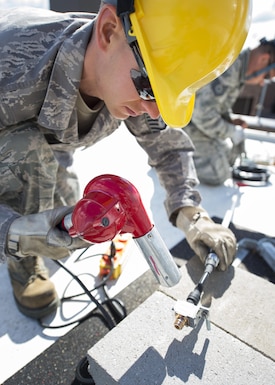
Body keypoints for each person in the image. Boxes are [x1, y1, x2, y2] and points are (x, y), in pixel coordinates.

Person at [0, 0, 251, 319]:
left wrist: (190, 212)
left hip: (52, 140)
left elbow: (167, 144)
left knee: (65, 217)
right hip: (13, 136)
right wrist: (13, 230)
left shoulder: (127, 67)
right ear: (108, 31)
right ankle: (23, 266)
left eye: (166, 97)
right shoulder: (11, 65)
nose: (154, 111)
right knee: (27, 158)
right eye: (150, 89)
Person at [183, 37, 275, 186]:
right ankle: (170, 157)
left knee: (228, 158)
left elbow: (216, 105)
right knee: (218, 174)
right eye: (267, 76)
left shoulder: (237, 65)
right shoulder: (229, 68)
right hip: (183, 126)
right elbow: (202, 114)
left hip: (194, 124)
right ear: (264, 59)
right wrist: (230, 131)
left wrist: (230, 120)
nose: (263, 82)